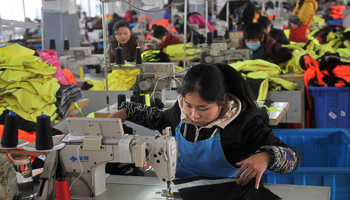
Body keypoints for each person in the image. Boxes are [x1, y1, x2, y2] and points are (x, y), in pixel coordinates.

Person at [108, 63, 302, 189]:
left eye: (203, 108)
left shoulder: (244, 124)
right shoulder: (180, 114)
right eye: (188, 105)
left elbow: (293, 157)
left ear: (222, 101)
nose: (194, 114)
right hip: (183, 188)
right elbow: (160, 119)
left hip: (229, 193)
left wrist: (267, 156)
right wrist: (128, 111)